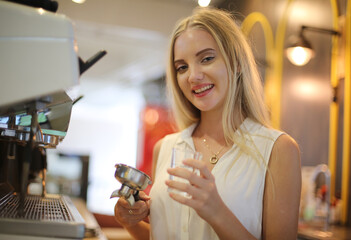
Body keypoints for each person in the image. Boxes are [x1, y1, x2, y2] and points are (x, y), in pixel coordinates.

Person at [114, 6, 301, 240]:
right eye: (182, 67)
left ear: (237, 63)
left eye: (207, 58)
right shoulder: (166, 147)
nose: (193, 76)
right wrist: (130, 223)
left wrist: (216, 212)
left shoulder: (278, 149)